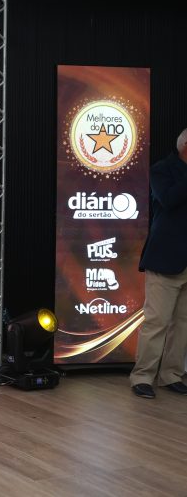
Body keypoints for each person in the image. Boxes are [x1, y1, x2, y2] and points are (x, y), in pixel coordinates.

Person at [130, 128, 187, 398]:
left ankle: (171, 374)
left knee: (183, 323)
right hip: (166, 258)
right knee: (157, 321)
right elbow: (169, 199)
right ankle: (142, 376)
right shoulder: (162, 170)